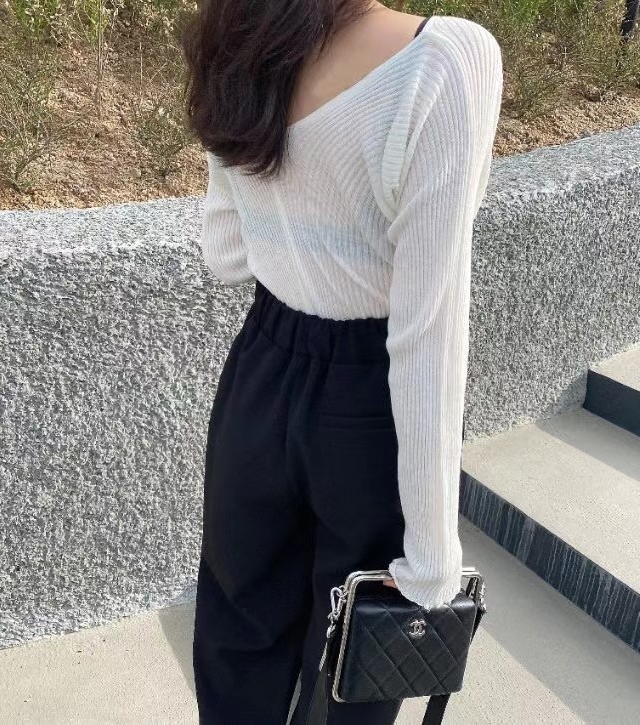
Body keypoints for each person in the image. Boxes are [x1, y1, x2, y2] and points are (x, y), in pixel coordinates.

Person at [180, 1, 503, 723]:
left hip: (260, 371)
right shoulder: (445, 57)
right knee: (356, 661)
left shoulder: (238, 33)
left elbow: (225, 253)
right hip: (369, 397)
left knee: (237, 634)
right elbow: (427, 327)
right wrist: (433, 555)